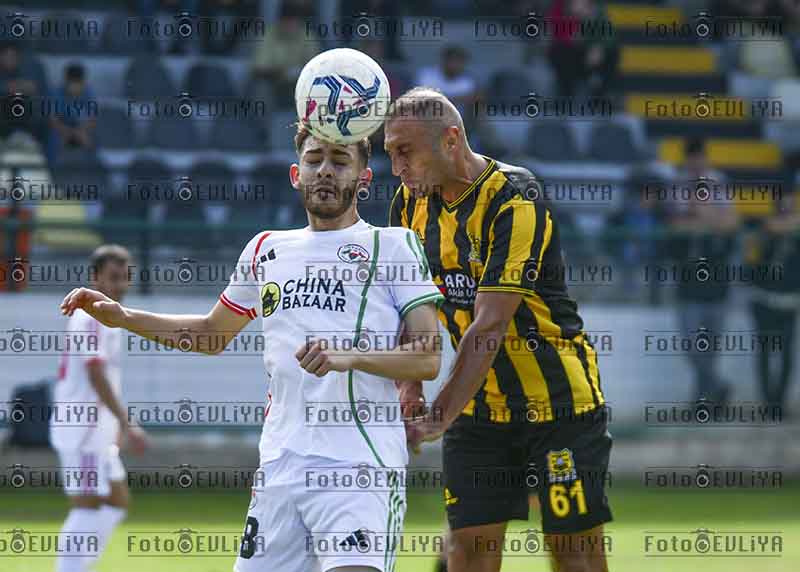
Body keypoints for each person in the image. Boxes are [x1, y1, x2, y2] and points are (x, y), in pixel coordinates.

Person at [60, 123, 445, 572]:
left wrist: (350, 356)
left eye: (340, 161)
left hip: (360, 467)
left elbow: (427, 355)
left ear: (364, 178)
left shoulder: (394, 246)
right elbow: (211, 333)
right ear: (296, 175)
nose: (325, 171)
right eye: (314, 160)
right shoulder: (265, 249)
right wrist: (125, 317)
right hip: (280, 467)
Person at [385, 87, 612, 572]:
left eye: (406, 152)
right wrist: (409, 386)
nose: (396, 167)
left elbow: (490, 323)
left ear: (450, 140)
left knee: (573, 555)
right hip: (480, 410)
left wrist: (437, 415)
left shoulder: (514, 196)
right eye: (390, 154)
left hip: (559, 406)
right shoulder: (407, 205)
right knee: (466, 554)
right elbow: (408, 306)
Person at [51, 244, 149, 572]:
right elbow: (95, 374)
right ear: (95, 278)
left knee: (117, 501)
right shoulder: (90, 316)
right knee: (87, 505)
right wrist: (127, 422)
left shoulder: (110, 317)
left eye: (125, 277)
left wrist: (116, 425)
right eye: (113, 277)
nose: (120, 284)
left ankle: (79, 566)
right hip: (81, 427)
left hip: (98, 429)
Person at [667, 138, 738, 404]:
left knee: (710, 347)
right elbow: (674, 224)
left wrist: (702, 217)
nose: (697, 164)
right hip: (688, 278)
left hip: (717, 278)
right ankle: (717, 385)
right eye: (692, 159)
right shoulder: (677, 185)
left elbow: (731, 223)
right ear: (687, 161)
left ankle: (702, 401)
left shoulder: (719, 182)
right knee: (691, 343)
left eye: (700, 159)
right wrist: (708, 220)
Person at [746, 190, 800, 416]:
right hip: (763, 300)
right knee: (765, 353)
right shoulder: (761, 233)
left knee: (786, 354)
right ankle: (768, 402)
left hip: (788, 302)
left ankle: (779, 401)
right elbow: (750, 265)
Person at [47, 63, 97, 166]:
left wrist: (81, 132)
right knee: (53, 141)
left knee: (93, 141)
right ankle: (53, 169)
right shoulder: (56, 93)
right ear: (67, 82)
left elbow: (92, 119)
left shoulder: (88, 92)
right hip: (61, 130)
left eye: (80, 83)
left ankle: (93, 170)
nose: (77, 87)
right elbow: (53, 121)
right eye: (74, 84)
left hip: (82, 129)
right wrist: (69, 133)